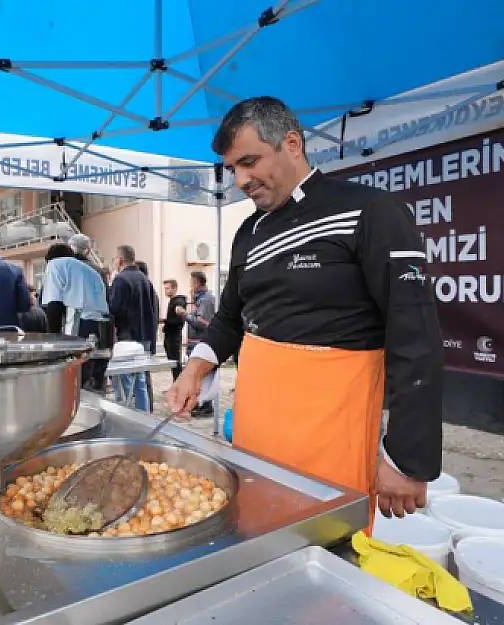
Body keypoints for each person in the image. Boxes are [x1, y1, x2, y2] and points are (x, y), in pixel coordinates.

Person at [165, 96, 443, 525]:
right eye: (232, 169)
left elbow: (416, 335)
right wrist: (195, 370)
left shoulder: (370, 211)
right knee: (255, 527)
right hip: (256, 425)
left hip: (332, 429)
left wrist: (408, 458)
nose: (240, 179)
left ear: (292, 144)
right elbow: (230, 319)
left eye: (250, 161)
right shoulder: (248, 232)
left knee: (325, 543)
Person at [41, 244, 110, 390]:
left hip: (79, 326)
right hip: (103, 329)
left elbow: (54, 306)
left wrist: (52, 342)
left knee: (73, 383)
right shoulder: (92, 271)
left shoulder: (55, 265)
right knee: (94, 384)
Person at [108, 245, 159, 412]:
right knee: (141, 380)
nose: (114, 261)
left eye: (115, 258)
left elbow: (114, 309)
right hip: (145, 337)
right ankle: (144, 415)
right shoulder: (145, 280)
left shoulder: (121, 280)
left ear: (120, 260)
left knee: (126, 382)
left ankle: (129, 415)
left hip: (127, 338)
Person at [179, 271, 216, 418]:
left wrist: (184, 315)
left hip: (201, 342)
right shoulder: (198, 299)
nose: (190, 286)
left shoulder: (205, 300)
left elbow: (202, 323)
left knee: (201, 375)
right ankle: (200, 404)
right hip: (195, 342)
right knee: (197, 376)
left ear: (197, 283)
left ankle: (205, 406)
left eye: (191, 283)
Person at [161, 279, 188, 381]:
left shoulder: (178, 301)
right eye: (165, 289)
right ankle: (176, 384)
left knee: (176, 362)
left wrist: (165, 321)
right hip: (169, 336)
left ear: (174, 288)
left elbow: (179, 321)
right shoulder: (172, 301)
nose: (166, 291)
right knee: (173, 362)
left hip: (174, 336)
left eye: (168, 288)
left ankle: (179, 385)